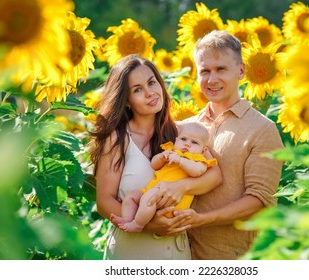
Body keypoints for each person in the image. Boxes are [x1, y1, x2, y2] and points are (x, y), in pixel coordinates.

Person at [151, 30, 284, 259]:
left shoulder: (262, 129)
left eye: (221, 69)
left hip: (234, 256)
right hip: (177, 254)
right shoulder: (183, 128)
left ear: (241, 71)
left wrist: (202, 220)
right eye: (205, 71)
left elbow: (259, 200)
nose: (212, 79)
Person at [89, 54, 221, 260]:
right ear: (126, 101)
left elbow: (214, 176)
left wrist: (182, 187)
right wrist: (149, 225)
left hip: (175, 251)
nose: (150, 93)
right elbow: (104, 202)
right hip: (131, 250)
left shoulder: (182, 134)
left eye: (152, 83)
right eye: (137, 90)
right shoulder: (117, 138)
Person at [114, 122, 217, 233]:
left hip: (172, 201)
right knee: (132, 196)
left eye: (194, 142)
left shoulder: (198, 159)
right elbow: (154, 165)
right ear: (176, 140)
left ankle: (138, 224)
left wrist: (180, 161)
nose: (187, 144)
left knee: (149, 198)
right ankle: (127, 219)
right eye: (183, 139)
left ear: (204, 150)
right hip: (152, 192)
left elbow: (197, 171)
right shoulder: (171, 152)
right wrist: (161, 157)